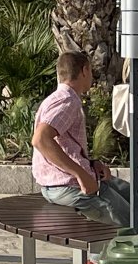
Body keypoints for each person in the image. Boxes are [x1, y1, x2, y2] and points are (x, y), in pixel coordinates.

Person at [32, 52, 132, 226]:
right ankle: (100, 253)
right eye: (91, 71)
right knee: (131, 221)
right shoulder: (67, 101)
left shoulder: (54, 99)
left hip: (64, 184)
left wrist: (91, 164)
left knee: (132, 196)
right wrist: (80, 174)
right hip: (68, 186)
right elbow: (40, 139)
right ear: (84, 70)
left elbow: (63, 144)